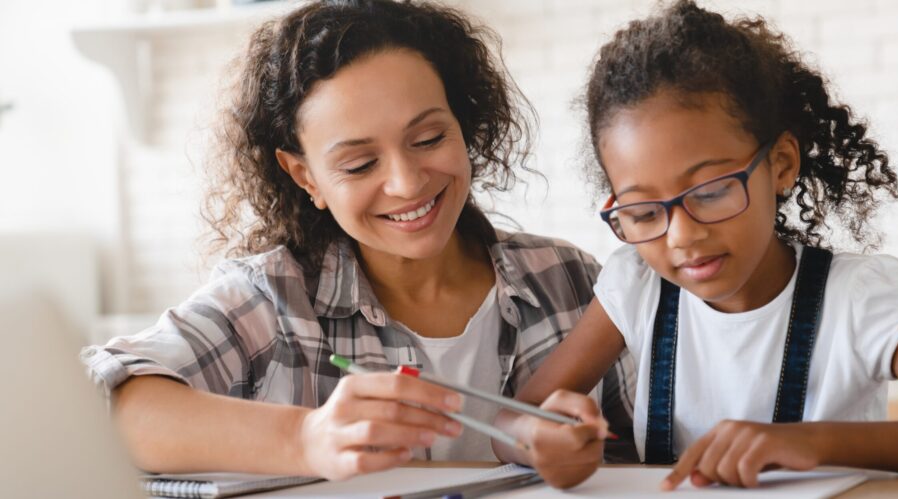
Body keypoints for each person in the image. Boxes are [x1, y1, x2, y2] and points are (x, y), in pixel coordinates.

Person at [80, 0, 636, 481]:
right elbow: (100, 406)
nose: (406, 182)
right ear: (306, 178)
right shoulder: (273, 299)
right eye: (360, 163)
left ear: (464, 124)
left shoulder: (570, 278)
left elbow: (655, 448)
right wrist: (305, 438)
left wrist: (585, 450)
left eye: (429, 137)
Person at [492, 0, 898, 490]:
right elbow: (507, 423)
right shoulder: (636, 286)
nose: (681, 235)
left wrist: (812, 444)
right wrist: (539, 436)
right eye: (643, 213)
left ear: (782, 165)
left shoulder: (858, 299)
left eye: (710, 192)